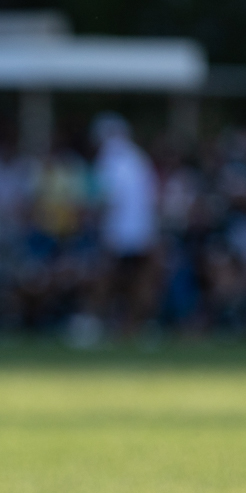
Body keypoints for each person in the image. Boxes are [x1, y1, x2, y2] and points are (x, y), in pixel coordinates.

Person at [92, 112, 161, 337]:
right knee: (137, 281)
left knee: (108, 278)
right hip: (142, 230)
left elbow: (108, 198)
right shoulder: (139, 158)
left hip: (119, 230)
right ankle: (136, 326)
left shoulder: (109, 158)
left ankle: (99, 324)